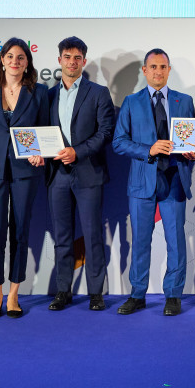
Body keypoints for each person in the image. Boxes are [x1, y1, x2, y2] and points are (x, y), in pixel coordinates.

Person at [112, 49, 195, 316]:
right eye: (153, 67)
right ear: (144, 70)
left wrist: (192, 151)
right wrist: (148, 149)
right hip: (142, 181)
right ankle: (137, 295)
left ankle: (173, 295)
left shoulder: (184, 101)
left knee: (176, 241)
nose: (158, 71)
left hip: (174, 178)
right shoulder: (131, 102)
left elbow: (192, 140)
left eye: (163, 66)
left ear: (169, 70)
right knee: (140, 241)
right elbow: (119, 142)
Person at [0, 37, 50, 319]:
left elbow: (46, 129)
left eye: (21, 57)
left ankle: (14, 295)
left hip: (25, 171)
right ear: (2, 60)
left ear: (27, 62)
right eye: (10, 56)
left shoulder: (39, 92)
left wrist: (40, 151)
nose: (15, 62)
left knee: (20, 230)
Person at [45, 36, 115, 312]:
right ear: (59, 60)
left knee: (92, 234)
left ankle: (95, 293)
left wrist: (78, 151)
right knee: (62, 236)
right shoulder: (47, 95)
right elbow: (40, 132)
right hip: (57, 175)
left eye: (77, 58)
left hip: (89, 173)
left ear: (84, 62)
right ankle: (63, 290)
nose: (72, 62)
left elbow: (106, 132)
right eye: (67, 57)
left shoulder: (98, 93)